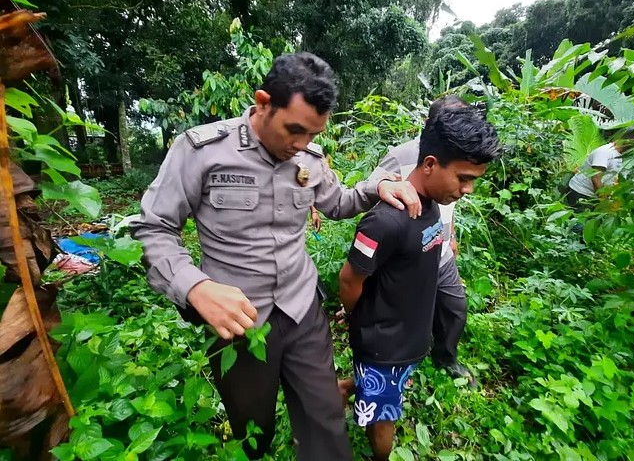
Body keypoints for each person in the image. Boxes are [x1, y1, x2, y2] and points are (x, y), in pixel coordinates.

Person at [130, 52, 422, 461]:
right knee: (254, 431)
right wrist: (194, 287)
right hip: (240, 324)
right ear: (263, 101)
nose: (301, 145)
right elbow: (153, 227)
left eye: (312, 134)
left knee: (324, 423)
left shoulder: (308, 157)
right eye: (294, 130)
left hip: (303, 310)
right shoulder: (201, 150)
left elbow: (338, 201)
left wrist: (378, 187)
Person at [337, 99, 501, 461]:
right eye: (464, 178)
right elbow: (349, 281)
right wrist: (360, 321)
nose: (468, 190)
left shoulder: (429, 205)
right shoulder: (385, 221)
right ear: (429, 164)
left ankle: (348, 387)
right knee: (383, 419)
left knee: (386, 388)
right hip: (384, 345)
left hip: (410, 335)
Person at [369, 96, 475, 381]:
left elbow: (450, 200)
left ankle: (446, 358)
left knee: (455, 309)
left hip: (439, 250)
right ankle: (398, 365)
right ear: (429, 125)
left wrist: (449, 235)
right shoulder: (404, 155)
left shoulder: (461, 157)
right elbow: (371, 187)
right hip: (408, 254)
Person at [566, 128, 634, 212]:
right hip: (580, 192)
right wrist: (604, 202)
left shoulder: (618, 154)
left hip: (592, 194)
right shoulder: (605, 152)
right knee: (578, 222)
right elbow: (595, 177)